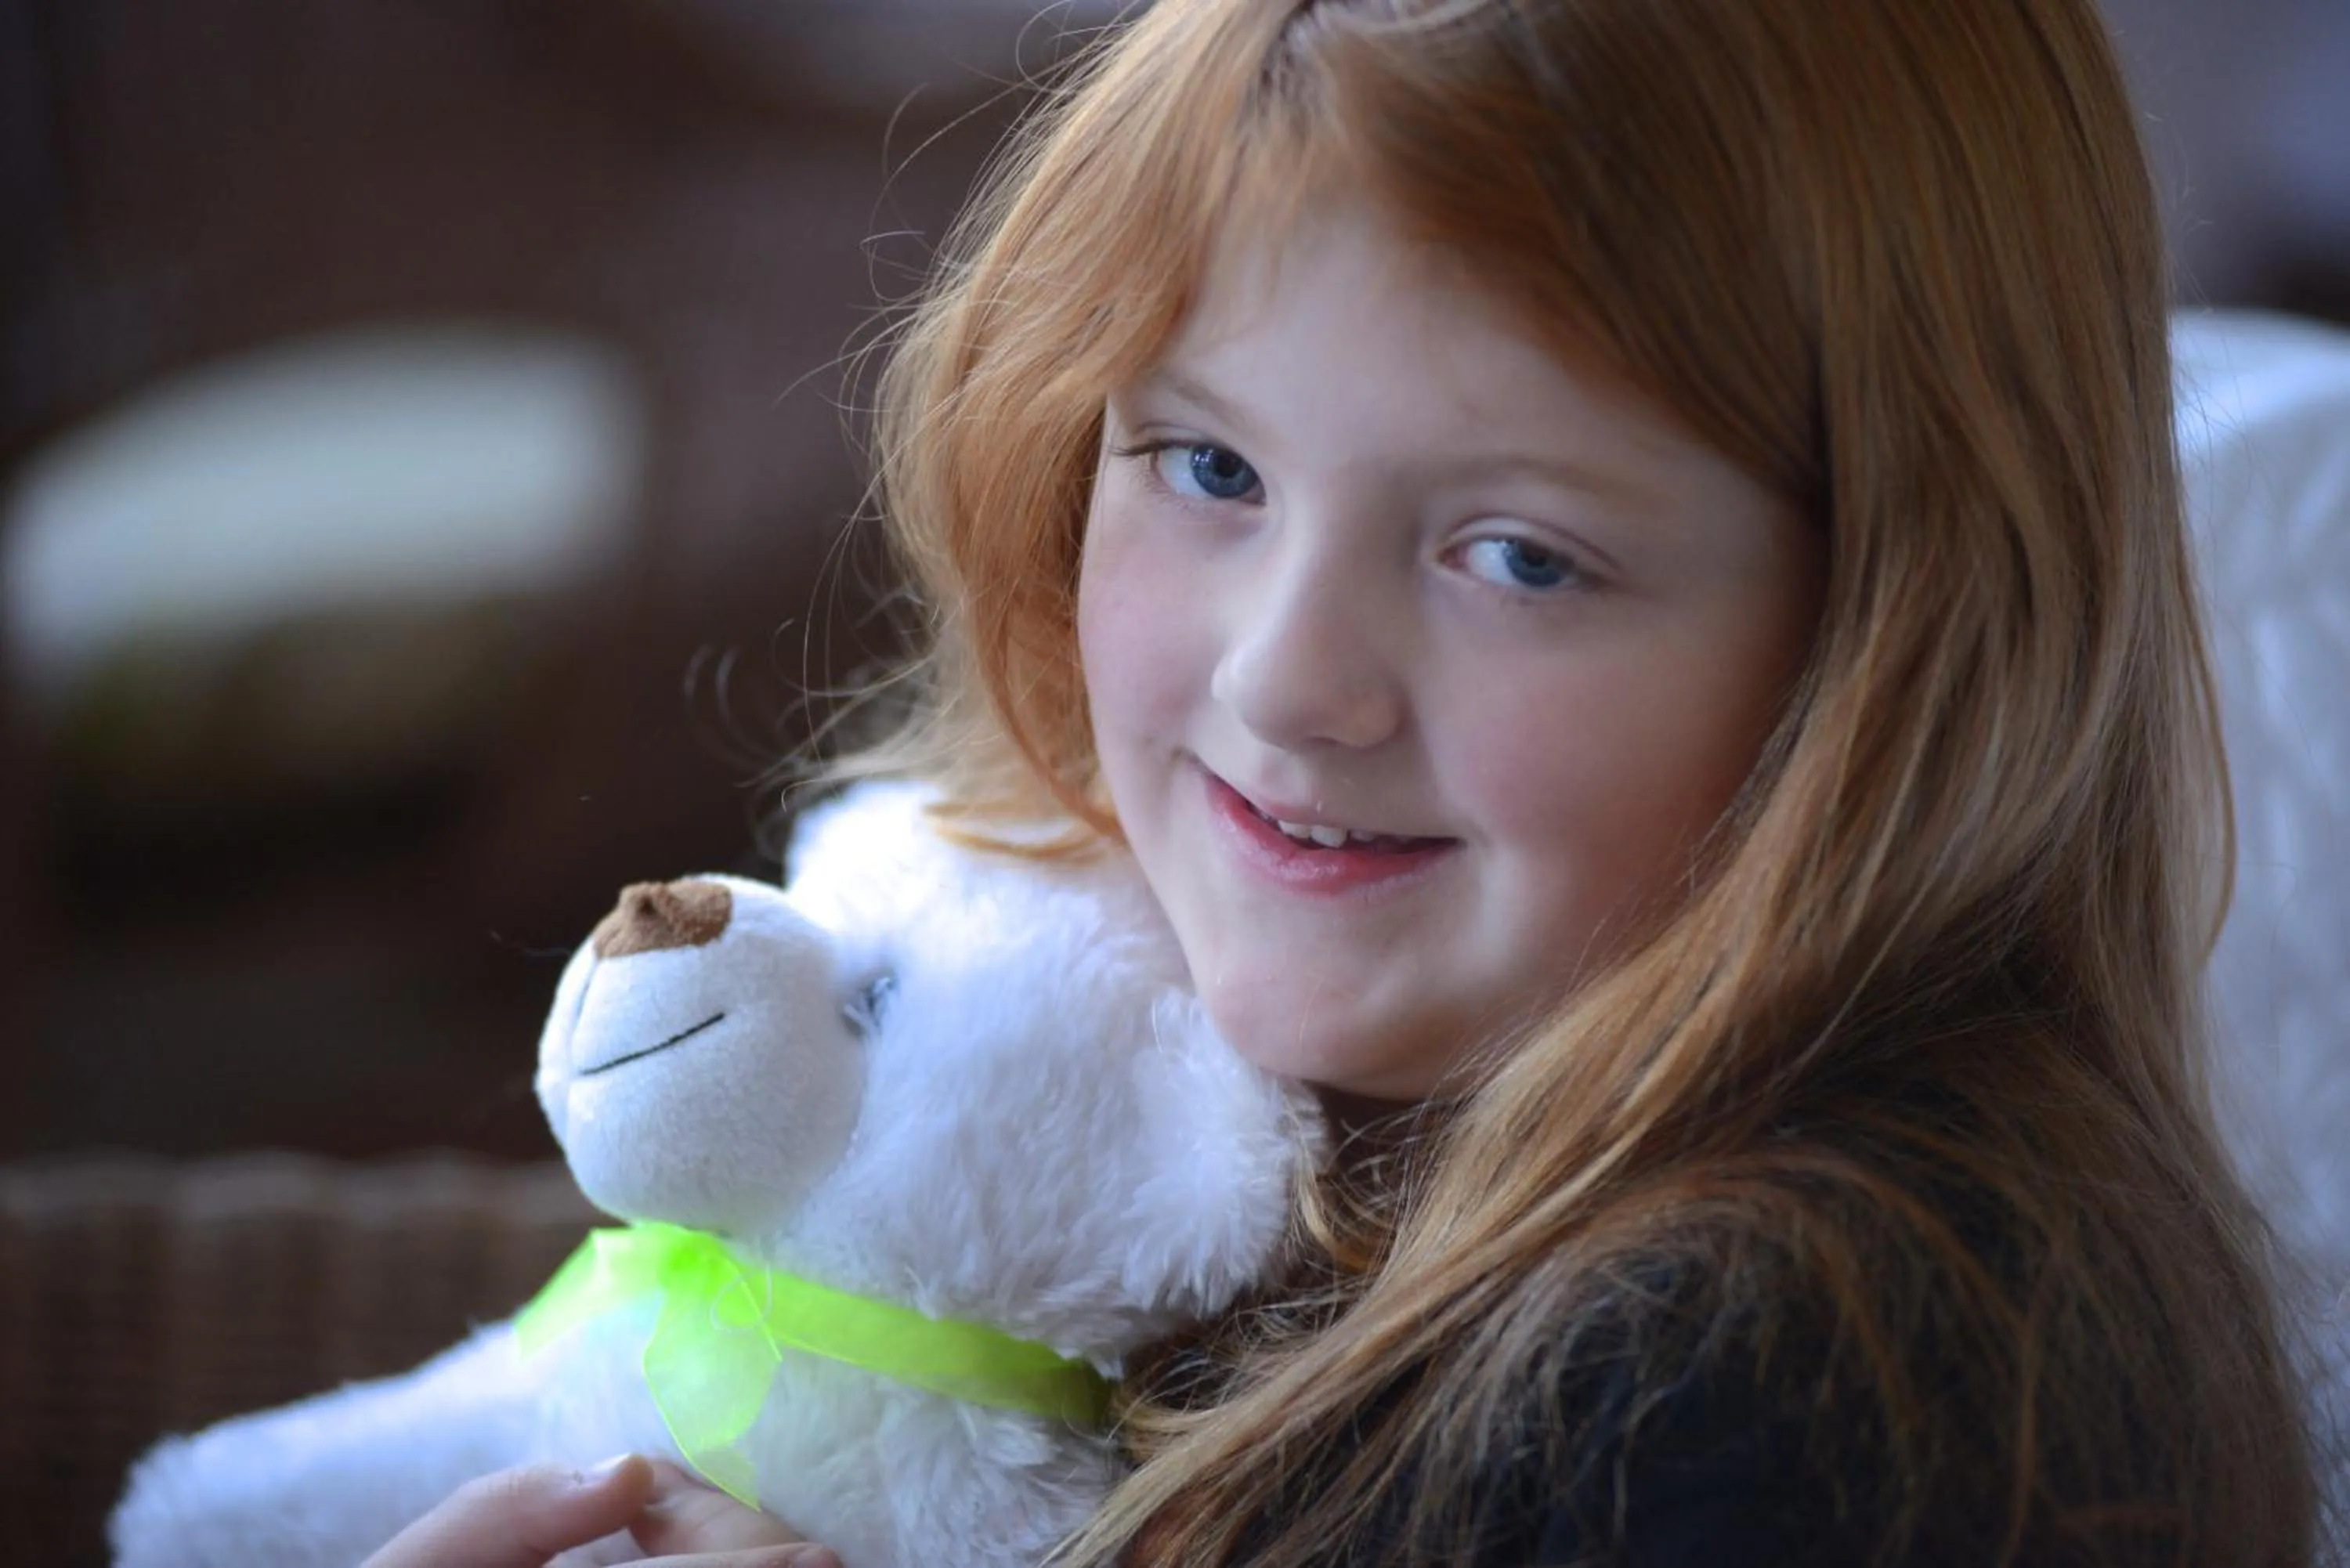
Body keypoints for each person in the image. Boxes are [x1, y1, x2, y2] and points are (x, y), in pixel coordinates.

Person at [375, 0, 2326, 1563]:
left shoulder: (1794, 1395)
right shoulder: (1189, 1056)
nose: (1285, 679)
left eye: (1521, 556)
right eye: (1208, 467)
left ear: (1899, 636)